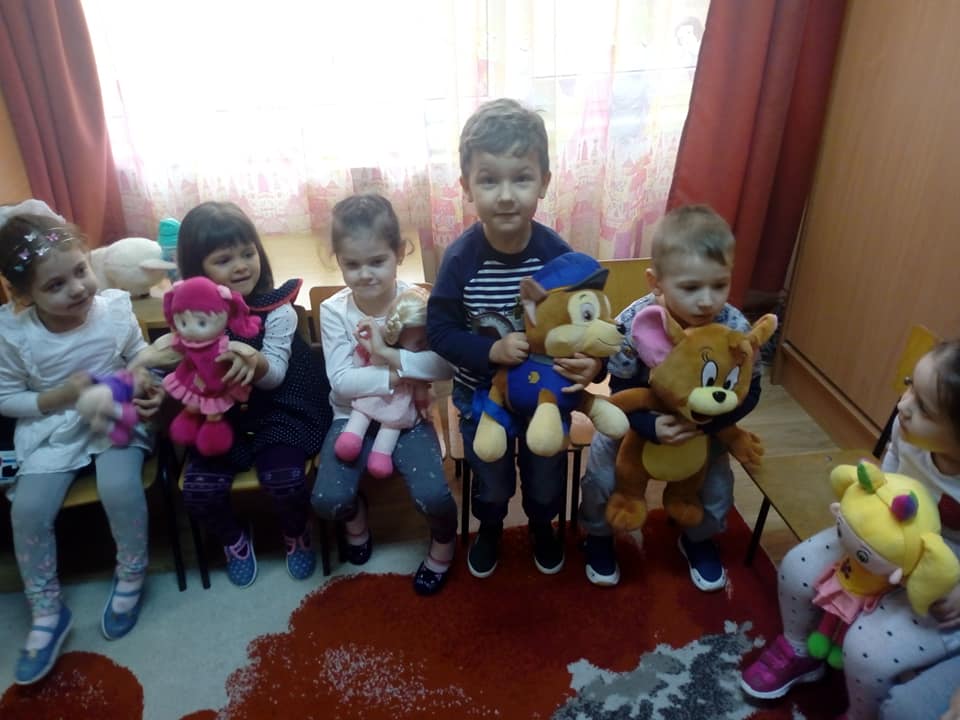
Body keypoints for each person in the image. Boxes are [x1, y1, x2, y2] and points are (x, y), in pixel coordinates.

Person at [427, 97, 603, 579]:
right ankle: (490, 527)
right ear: (466, 188)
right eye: (489, 180)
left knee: (545, 475)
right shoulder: (460, 260)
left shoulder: (557, 256)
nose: (506, 195)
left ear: (543, 182)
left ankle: (543, 525)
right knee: (492, 478)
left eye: (521, 178)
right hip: (481, 398)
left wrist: (594, 365)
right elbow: (440, 330)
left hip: (546, 397)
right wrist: (490, 350)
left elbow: (585, 325)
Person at [740, 340, 960, 720]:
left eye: (924, 408)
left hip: (942, 569)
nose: (903, 406)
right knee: (796, 568)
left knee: (867, 651)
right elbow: (888, 472)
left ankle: (862, 713)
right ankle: (799, 649)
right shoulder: (906, 431)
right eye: (909, 385)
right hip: (884, 537)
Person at [0, 213, 163, 684]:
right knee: (28, 510)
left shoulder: (113, 309)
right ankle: (46, 609)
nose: (77, 289)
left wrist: (147, 381)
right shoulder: (14, 334)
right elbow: (7, 399)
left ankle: (131, 573)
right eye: (56, 285)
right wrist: (56, 397)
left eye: (80, 271)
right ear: (24, 295)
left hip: (115, 413)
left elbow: (140, 355)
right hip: (52, 426)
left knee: (120, 487)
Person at [578, 204, 762, 588]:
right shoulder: (634, 322)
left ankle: (697, 538)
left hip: (706, 428)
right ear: (656, 282)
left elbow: (751, 388)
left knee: (718, 492)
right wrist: (649, 426)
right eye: (691, 287)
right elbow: (619, 389)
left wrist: (709, 424)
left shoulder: (733, 326)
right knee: (600, 476)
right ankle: (598, 534)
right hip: (639, 421)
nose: (707, 300)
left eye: (719, 285)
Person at [170, 201, 331, 586]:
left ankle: (296, 531)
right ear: (196, 269)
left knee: (286, 479)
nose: (242, 266)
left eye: (248, 253)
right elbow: (179, 363)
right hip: (221, 417)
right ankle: (234, 538)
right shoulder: (191, 315)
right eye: (224, 260)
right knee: (198, 489)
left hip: (281, 410)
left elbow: (274, 376)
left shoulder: (277, 309)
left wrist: (253, 361)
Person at [311, 193, 458, 596]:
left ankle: (444, 541)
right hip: (351, 416)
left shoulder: (418, 302)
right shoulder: (335, 310)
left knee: (434, 495)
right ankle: (357, 515)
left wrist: (388, 356)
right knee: (327, 500)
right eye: (352, 264)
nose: (365, 274)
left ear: (399, 253)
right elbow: (341, 383)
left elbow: (444, 367)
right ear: (338, 260)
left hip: (410, 415)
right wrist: (400, 372)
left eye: (377, 261)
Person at [334, 285, 433, 479]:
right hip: (372, 393)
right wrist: (372, 351)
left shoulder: (422, 357)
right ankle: (351, 438)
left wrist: (422, 405)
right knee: (362, 412)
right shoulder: (379, 340)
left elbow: (424, 384)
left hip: (401, 402)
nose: (424, 347)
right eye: (420, 343)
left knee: (392, 424)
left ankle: (381, 455)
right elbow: (352, 371)